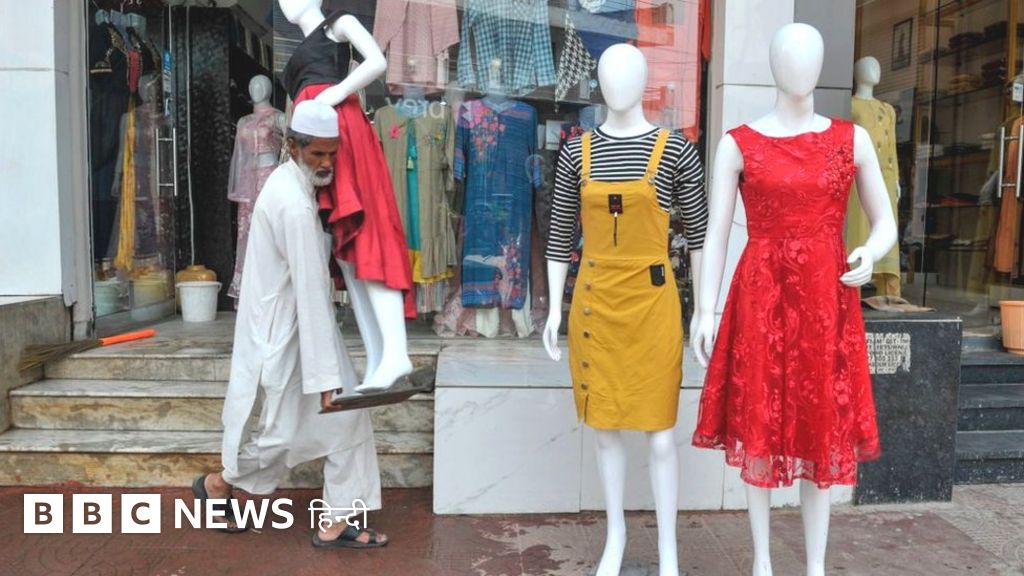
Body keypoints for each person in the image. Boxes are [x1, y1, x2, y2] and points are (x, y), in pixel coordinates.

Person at [191, 100, 388, 548]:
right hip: (284, 334)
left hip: (302, 331)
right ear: (293, 146)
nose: (326, 163)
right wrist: (326, 379)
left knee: (350, 424)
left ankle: (335, 521)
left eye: (332, 153)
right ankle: (218, 484)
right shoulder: (293, 204)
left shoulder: (293, 184)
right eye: (317, 153)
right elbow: (311, 292)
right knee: (280, 436)